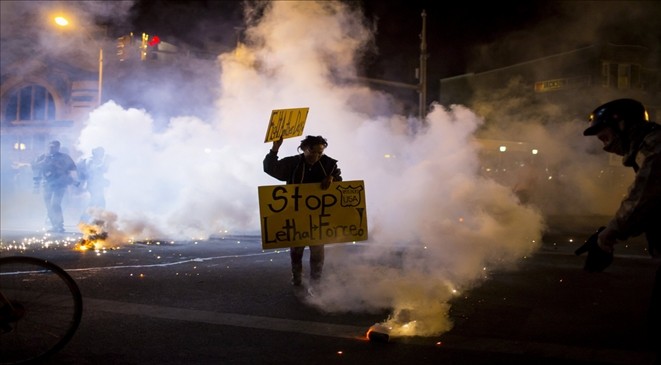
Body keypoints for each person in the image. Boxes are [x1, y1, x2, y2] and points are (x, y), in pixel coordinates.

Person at [582, 98, 661, 359]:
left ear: (623, 125)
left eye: (605, 138)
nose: (606, 148)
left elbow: (643, 199)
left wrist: (609, 235)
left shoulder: (655, 147)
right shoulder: (648, 147)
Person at [263, 135, 343, 288]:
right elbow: (270, 168)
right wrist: (275, 148)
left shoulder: (329, 165)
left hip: (318, 216)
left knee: (318, 250)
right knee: (296, 249)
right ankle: (297, 277)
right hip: (296, 214)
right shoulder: (293, 163)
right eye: (314, 152)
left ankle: (316, 282)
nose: (317, 156)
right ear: (304, 149)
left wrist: (332, 178)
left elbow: (339, 183)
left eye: (320, 153)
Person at [32, 140, 78, 233]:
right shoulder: (42, 157)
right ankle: (54, 225)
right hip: (47, 184)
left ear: (58, 147)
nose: (52, 149)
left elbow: (73, 168)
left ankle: (60, 225)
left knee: (55, 204)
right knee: (48, 206)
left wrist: (72, 179)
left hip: (60, 184)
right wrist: (43, 162)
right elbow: (35, 168)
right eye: (50, 147)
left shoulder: (64, 157)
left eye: (54, 147)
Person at [77, 146, 109, 222]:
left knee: (97, 203)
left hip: (97, 185)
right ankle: (85, 220)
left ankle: (89, 221)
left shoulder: (98, 160)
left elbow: (102, 171)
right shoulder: (90, 160)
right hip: (93, 185)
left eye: (103, 153)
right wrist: (106, 161)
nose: (102, 154)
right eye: (101, 152)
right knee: (98, 203)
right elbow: (95, 170)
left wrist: (104, 180)